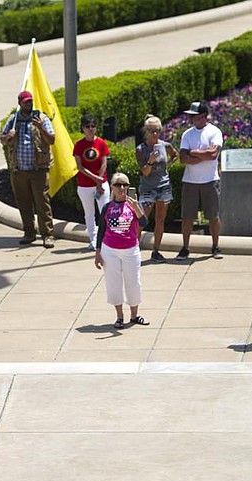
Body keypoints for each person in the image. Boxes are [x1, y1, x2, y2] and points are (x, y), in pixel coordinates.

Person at [0, 90, 56, 249]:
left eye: (30, 101)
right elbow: (2, 140)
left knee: (42, 203)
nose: (29, 104)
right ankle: (29, 232)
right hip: (18, 170)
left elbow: (52, 139)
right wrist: (9, 136)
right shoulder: (13, 119)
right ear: (20, 103)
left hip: (38, 169)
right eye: (26, 102)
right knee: (23, 203)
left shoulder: (41, 118)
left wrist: (41, 128)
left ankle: (47, 235)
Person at [94, 173, 150, 329]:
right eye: (118, 185)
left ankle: (134, 315)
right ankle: (119, 316)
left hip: (130, 249)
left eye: (125, 184)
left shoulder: (133, 205)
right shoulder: (107, 207)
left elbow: (144, 222)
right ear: (112, 187)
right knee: (114, 283)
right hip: (109, 250)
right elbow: (101, 231)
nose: (122, 188)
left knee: (133, 282)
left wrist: (137, 208)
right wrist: (98, 253)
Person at [177, 102, 223, 260]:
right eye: (191, 116)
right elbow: (183, 158)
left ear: (204, 117)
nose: (192, 119)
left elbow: (213, 155)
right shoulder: (187, 134)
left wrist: (193, 152)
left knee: (213, 216)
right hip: (190, 181)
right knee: (187, 216)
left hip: (210, 180)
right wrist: (201, 154)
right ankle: (185, 247)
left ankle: (216, 246)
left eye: (195, 116)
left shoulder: (214, 132)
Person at [136, 114, 178, 263]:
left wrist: (167, 166)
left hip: (164, 187)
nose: (155, 134)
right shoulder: (141, 149)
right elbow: (145, 172)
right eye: (152, 130)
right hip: (148, 188)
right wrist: (151, 161)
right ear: (146, 131)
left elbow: (175, 155)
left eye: (157, 130)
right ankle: (132, 250)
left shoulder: (165, 145)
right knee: (143, 219)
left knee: (160, 220)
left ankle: (156, 251)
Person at [73, 113, 110, 250]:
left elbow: (104, 163)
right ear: (82, 128)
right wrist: (96, 179)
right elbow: (80, 167)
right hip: (84, 185)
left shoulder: (101, 143)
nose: (90, 129)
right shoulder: (78, 145)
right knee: (89, 213)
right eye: (87, 126)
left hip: (101, 186)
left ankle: (106, 239)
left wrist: (99, 182)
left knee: (105, 212)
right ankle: (93, 239)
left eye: (93, 126)